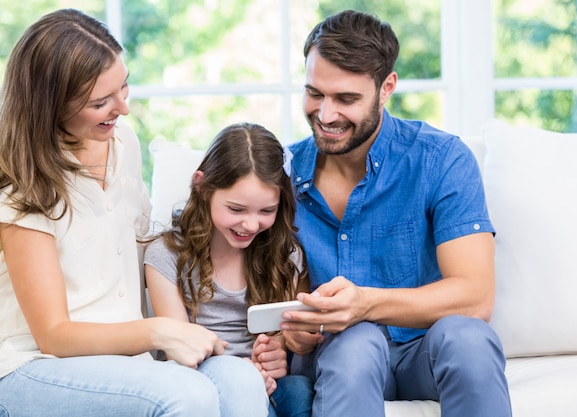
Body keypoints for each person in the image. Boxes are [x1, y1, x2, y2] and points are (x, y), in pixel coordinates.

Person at [0, 9, 267, 417]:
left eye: (123, 87)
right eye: (100, 102)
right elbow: (52, 335)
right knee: (186, 395)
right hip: (36, 364)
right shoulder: (23, 185)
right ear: (50, 106)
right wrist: (159, 330)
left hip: (128, 360)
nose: (122, 108)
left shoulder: (122, 141)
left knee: (241, 380)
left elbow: (145, 249)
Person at [280, 10, 512, 417]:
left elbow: (475, 296)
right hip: (339, 357)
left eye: (346, 99)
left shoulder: (440, 159)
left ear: (387, 87)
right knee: (355, 343)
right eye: (315, 93)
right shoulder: (281, 174)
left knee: (467, 337)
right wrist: (292, 335)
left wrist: (365, 303)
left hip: (426, 354)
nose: (326, 114)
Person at [144, 122, 313, 417]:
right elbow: (177, 348)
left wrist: (275, 354)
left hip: (267, 388)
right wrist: (241, 373)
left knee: (299, 390)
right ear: (203, 187)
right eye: (236, 210)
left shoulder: (285, 255)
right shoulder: (166, 255)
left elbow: (279, 336)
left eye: (266, 211)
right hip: (199, 378)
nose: (250, 225)